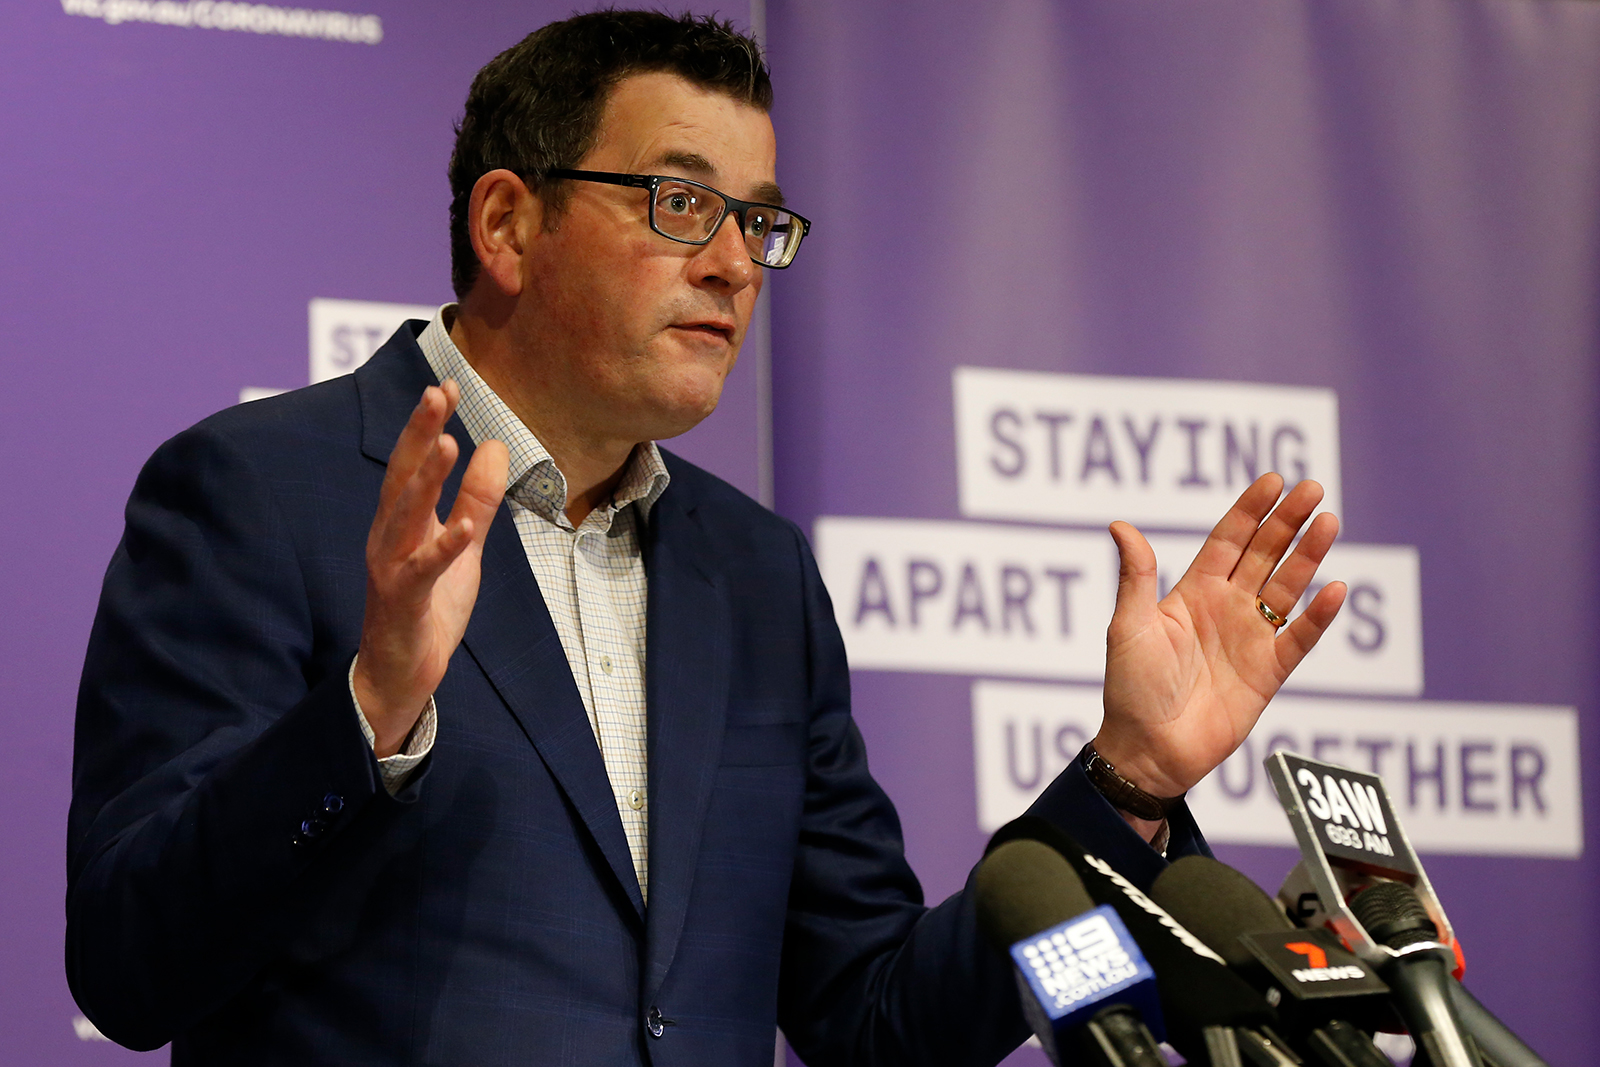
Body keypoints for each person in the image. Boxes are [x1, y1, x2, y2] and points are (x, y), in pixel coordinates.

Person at [67, 11, 1345, 1066]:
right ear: (507, 224)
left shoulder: (757, 575)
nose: (736, 263)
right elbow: (131, 966)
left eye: (758, 221)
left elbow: (875, 1018)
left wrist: (1127, 778)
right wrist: (372, 709)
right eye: (682, 204)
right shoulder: (255, 490)